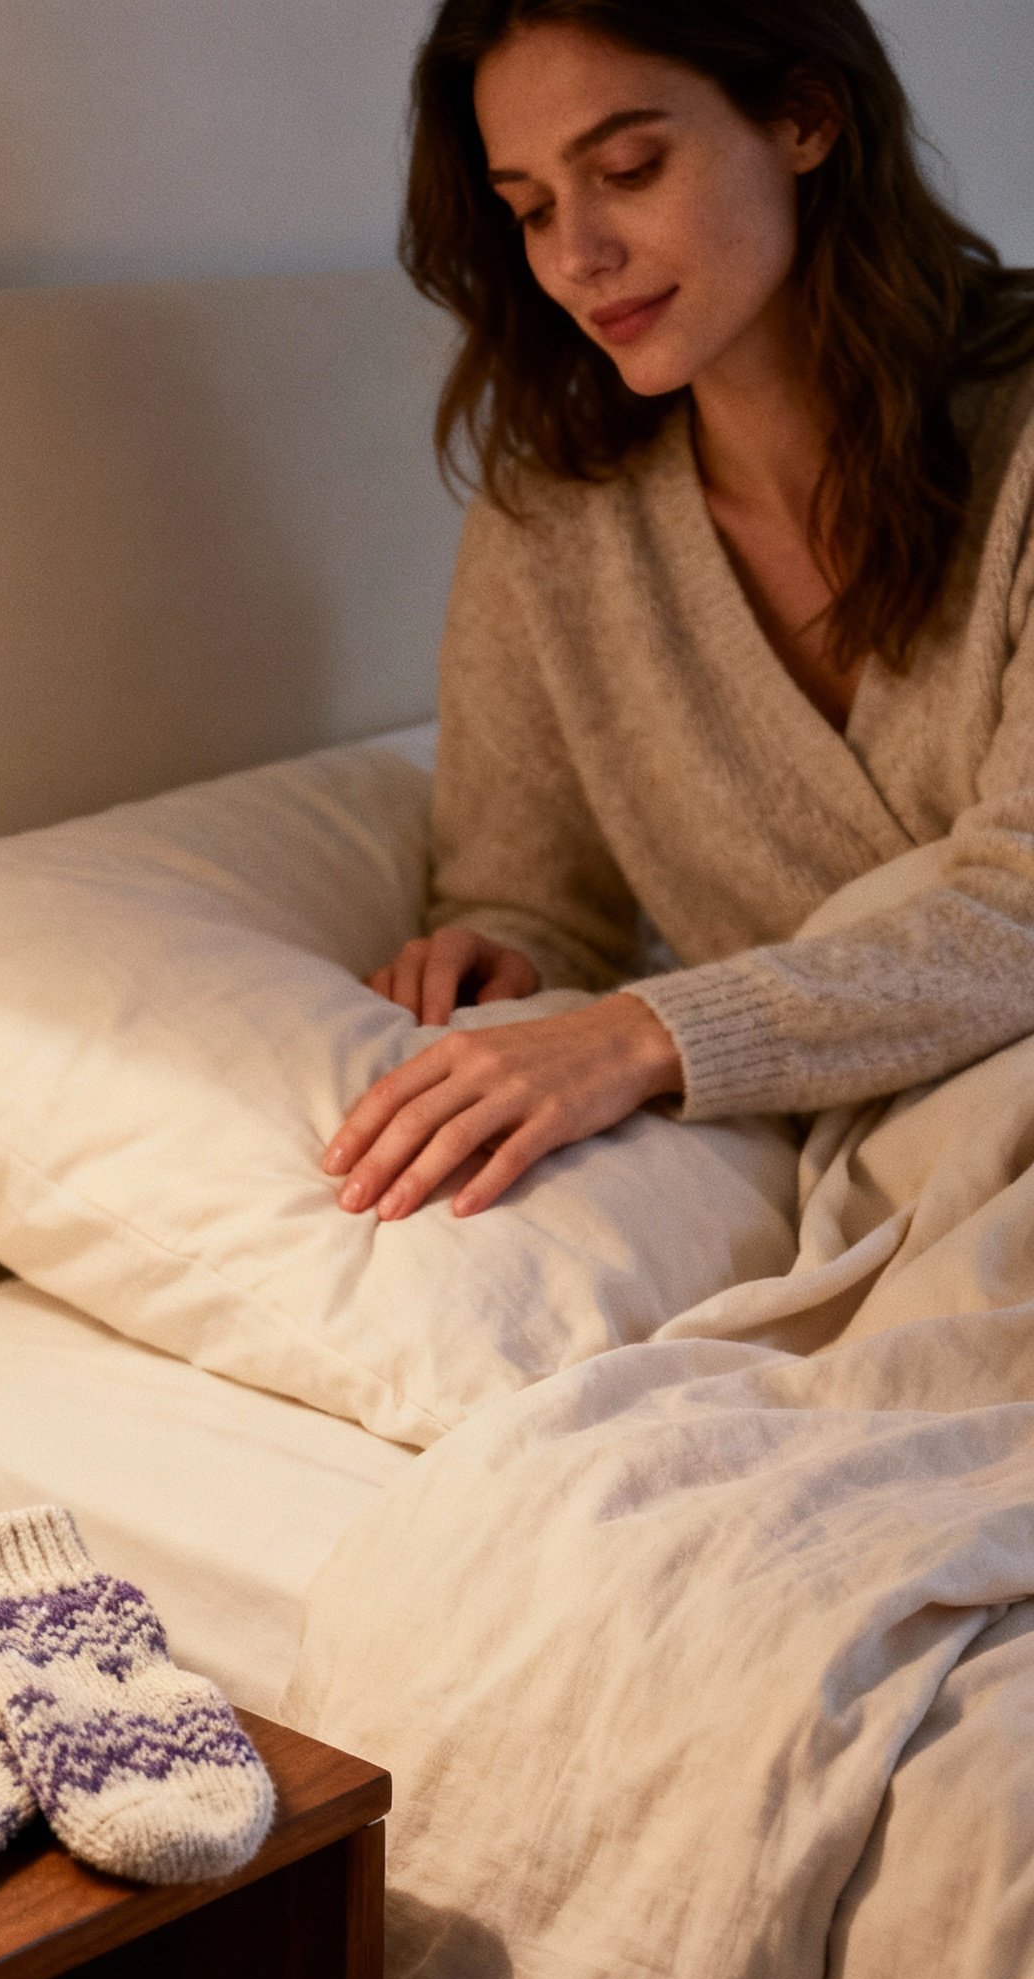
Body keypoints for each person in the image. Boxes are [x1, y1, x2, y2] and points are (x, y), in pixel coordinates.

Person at [325, 0, 1034, 1220]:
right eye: (531, 208)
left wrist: (651, 1033)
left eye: (628, 169)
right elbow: (533, 893)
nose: (577, 256)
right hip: (886, 1173)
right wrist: (501, 960)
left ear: (806, 119)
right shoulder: (556, 520)